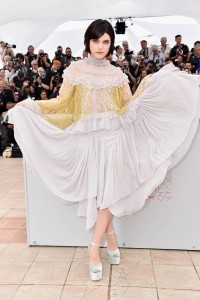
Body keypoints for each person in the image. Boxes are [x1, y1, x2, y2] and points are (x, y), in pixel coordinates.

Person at [8, 20, 200, 282]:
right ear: (88, 41)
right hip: (87, 141)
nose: (101, 47)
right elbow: (62, 102)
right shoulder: (74, 71)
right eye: (97, 41)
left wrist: (150, 85)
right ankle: (111, 239)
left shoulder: (117, 75)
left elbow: (127, 105)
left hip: (114, 141)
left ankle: (93, 249)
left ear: (111, 44)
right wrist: (31, 107)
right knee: (100, 197)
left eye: (106, 42)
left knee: (107, 197)